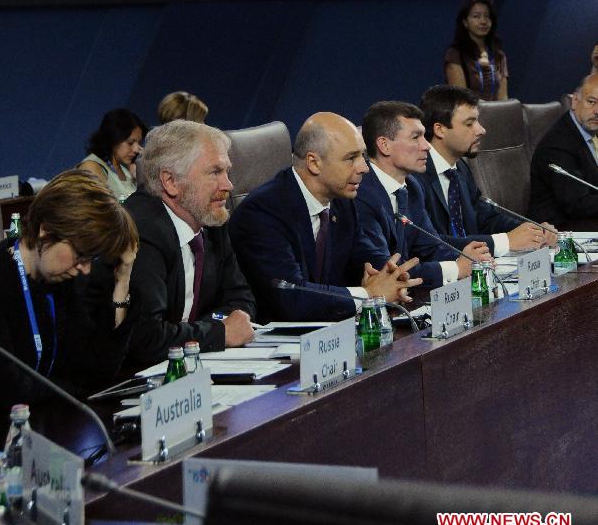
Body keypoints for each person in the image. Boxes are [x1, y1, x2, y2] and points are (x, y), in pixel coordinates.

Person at [89, 120, 256, 368]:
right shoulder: (141, 230)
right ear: (170, 182)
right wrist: (218, 332)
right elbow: (146, 338)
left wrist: (208, 327)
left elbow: (241, 301)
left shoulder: (211, 220)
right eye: (214, 172)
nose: (228, 185)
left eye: (227, 172)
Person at [229, 112, 422, 322]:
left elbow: (364, 255)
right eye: (351, 158)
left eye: (363, 156)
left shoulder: (341, 202)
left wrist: (390, 277)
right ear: (314, 163)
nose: (364, 168)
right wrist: (369, 294)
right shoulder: (262, 212)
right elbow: (290, 298)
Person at [0, 170, 138, 415]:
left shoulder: (65, 281)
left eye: (92, 258)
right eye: (80, 255)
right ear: (45, 230)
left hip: (55, 424)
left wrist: (122, 281)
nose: (85, 269)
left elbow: (98, 371)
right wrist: (73, 386)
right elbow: (11, 392)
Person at [357, 101, 492, 290]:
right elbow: (387, 270)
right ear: (384, 145)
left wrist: (468, 258)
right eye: (415, 137)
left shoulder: (412, 186)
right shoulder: (361, 194)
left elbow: (430, 248)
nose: (426, 146)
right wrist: (456, 268)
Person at [417, 85, 557, 251]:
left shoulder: (459, 168)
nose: (481, 130)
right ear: (440, 129)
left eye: (477, 121)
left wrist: (532, 230)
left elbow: (485, 217)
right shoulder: (415, 174)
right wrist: (505, 242)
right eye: (469, 124)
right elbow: (429, 242)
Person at [530, 73, 598, 229]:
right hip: (559, 230)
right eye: (591, 102)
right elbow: (577, 204)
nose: (597, 111)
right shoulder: (559, 144)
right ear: (575, 101)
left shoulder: (589, 132)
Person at [444, 0, 508, 101]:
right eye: (476, 16)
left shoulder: (498, 55)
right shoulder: (455, 54)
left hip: (497, 115)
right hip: (470, 115)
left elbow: (503, 98)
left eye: (487, 16)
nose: (483, 21)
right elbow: (461, 99)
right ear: (465, 22)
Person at [78, 108, 147, 201]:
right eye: (130, 142)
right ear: (113, 138)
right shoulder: (91, 167)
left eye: (139, 143)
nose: (136, 149)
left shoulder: (126, 171)